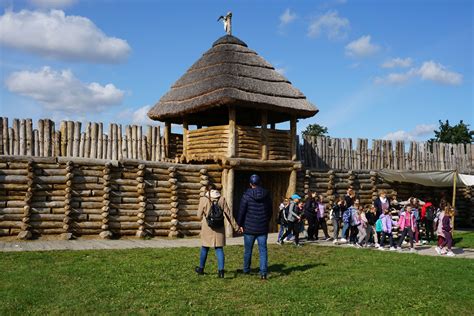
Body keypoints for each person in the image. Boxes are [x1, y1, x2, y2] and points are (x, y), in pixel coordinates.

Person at [195, 187, 239, 278]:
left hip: (208, 227)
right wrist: (236, 227)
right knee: (219, 249)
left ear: (208, 191)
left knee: (204, 248)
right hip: (219, 228)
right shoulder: (222, 199)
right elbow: (229, 215)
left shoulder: (203, 199)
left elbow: (198, 216)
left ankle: (201, 269)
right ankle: (221, 271)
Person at [237, 174, 273, 280]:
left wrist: (240, 224)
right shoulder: (266, 195)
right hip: (262, 227)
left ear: (250, 184)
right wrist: (266, 221)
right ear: (259, 183)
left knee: (248, 250)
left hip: (249, 227)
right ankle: (263, 272)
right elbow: (270, 211)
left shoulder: (246, 195)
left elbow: (241, 211)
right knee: (263, 250)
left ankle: (246, 269)